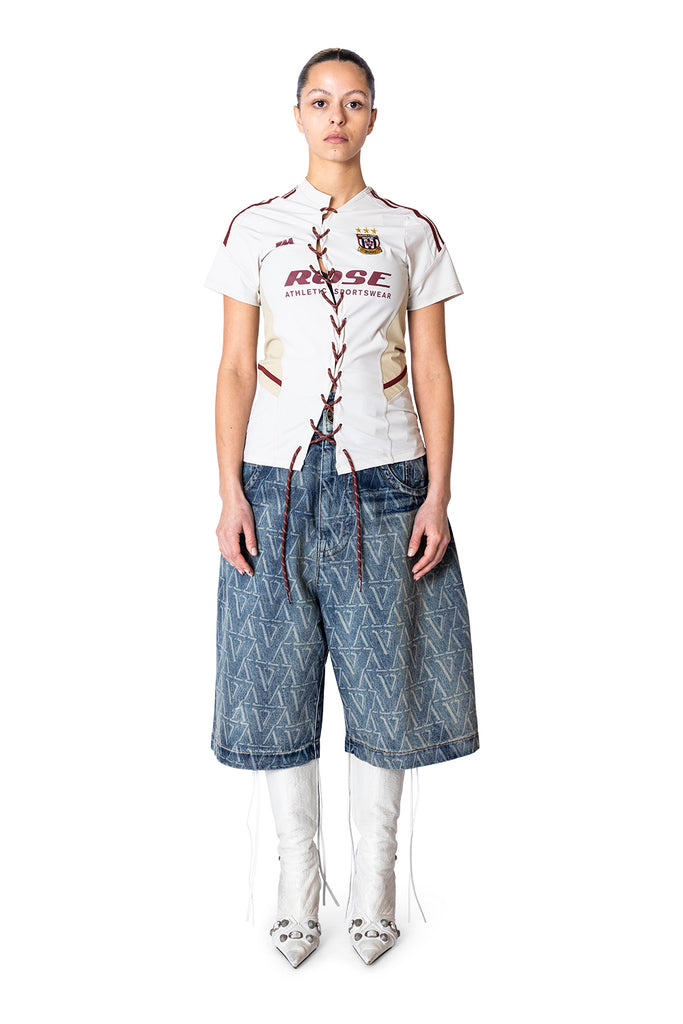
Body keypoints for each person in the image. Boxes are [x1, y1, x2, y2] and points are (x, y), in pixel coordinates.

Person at [204, 47, 480, 968]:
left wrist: (438, 491)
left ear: (372, 118)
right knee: (273, 681)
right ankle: (296, 885)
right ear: (297, 115)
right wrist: (228, 491)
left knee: (387, 682)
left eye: (353, 101)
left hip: (386, 481)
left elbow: (432, 366)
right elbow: (235, 367)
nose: (336, 117)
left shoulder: (408, 232)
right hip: (274, 485)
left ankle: (375, 888)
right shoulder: (255, 229)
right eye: (320, 101)